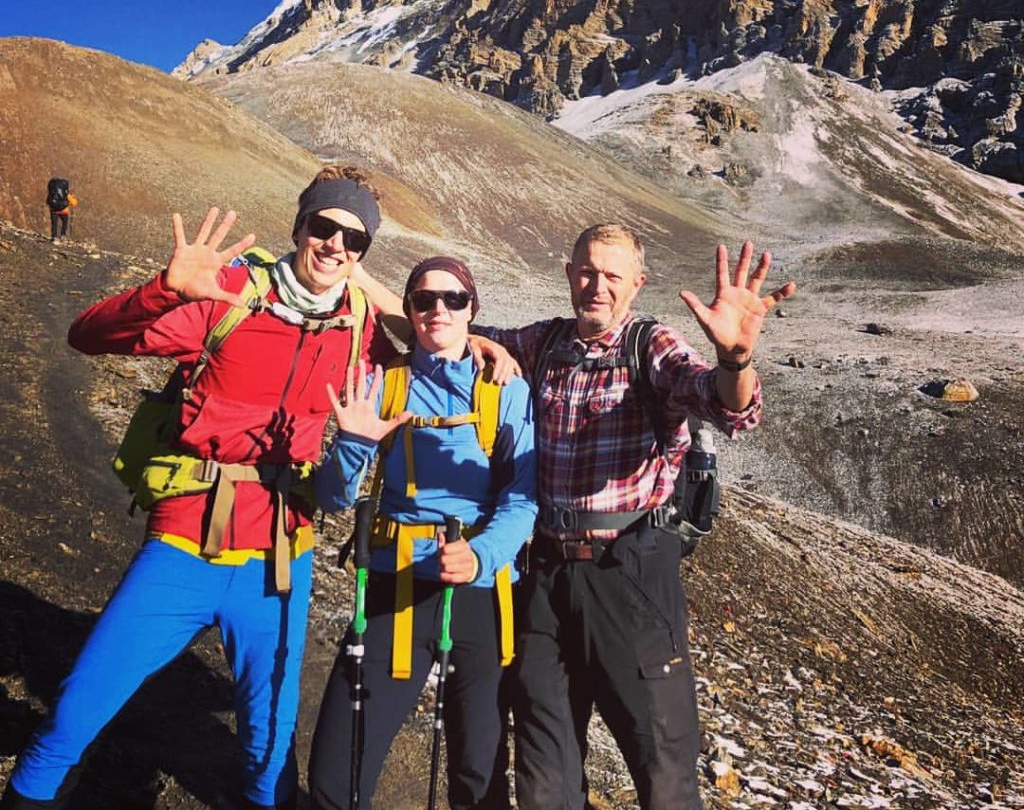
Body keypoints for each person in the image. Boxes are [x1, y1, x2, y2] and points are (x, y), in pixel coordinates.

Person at [357, 225, 796, 809]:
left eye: (613, 276)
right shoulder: (544, 342)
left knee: (662, 771)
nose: (597, 286)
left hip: (629, 576)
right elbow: (441, 329)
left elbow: (724, 404)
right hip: (543, 579)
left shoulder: (652, 347)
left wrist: (734, 356)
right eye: (587, 272)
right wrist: (354, 276)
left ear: (636, 285)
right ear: (569, 274)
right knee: (543, 774)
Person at [2, 165, 396, 810]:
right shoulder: (230, 298)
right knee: (77, 709)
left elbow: (439, 331)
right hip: (186, 541)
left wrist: (490, 349)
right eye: (324, 227)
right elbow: (89, 335)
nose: (335, 247)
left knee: (270, 744)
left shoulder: (358, 331)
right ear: (300, 227)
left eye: (355, 240)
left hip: (280, 558)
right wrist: (165, 289)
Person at [308, 256, 537, 810]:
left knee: (479, 766)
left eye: (453, 300)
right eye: (425, 300)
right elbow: (334, 496)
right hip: (395, 583)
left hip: (483, 591)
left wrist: (480, 556)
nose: (439, 309)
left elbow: (524, 497)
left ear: (472, 311)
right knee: (338, 767)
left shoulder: (506, 390)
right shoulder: (381, 386)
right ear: (409, 311)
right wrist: (354, 445)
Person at [45, 178, 77, 242]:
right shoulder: (66, 194)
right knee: (64, 223)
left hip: (54, 210)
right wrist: (70, 201)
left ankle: (54, 236)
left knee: (54, 224)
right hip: (64, 211)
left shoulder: (52, 193)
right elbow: (74, 203)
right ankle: (63, 235)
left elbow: (47, 201)